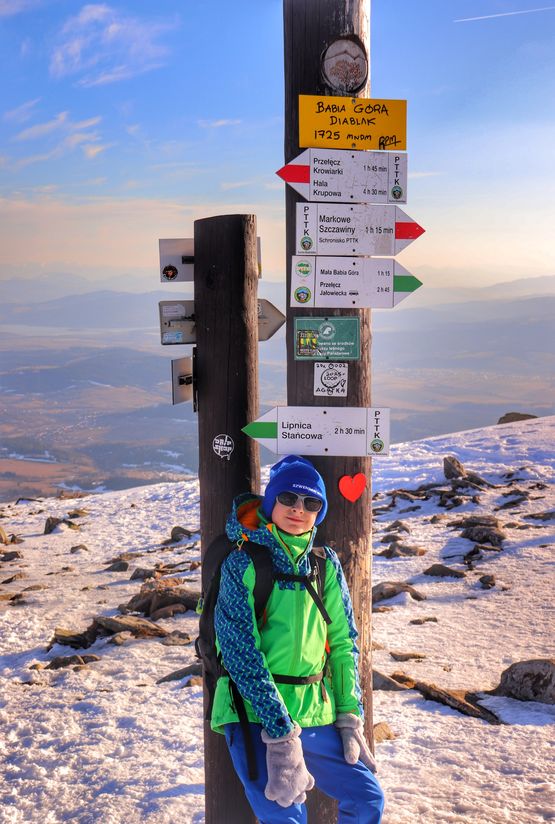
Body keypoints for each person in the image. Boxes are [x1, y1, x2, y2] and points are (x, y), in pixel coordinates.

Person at [211, 454, 385, 823]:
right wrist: (279, 733)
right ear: (271, 501)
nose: (298, 509)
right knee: (285, 817)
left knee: (367, 799)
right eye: (287, 498)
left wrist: (350, 716)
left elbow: (343, 644)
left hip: (314, 711)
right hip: (255, 714)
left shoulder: (325, 564)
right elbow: (241, 653)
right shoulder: (243, 563)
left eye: (311, 503)